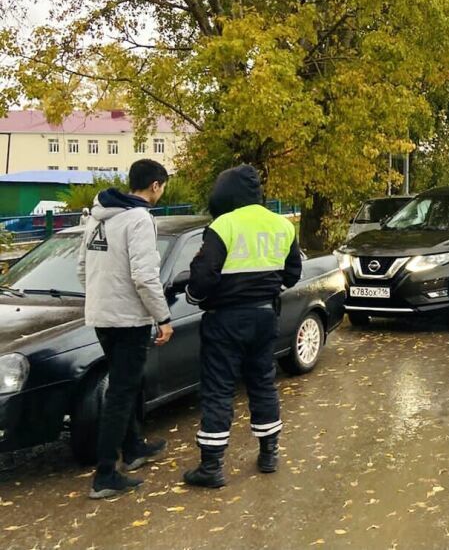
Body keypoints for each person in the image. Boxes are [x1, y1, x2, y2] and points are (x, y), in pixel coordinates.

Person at [182, 165, 302, 488]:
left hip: (225, 319)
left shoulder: (225, 224)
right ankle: (269, 454)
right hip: (265, 316)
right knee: (263, 382)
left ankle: (211, 466)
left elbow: (203, 275)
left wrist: (193, 295)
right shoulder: (282, 225)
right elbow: (292, 274)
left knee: (219, 388)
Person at [78, 159, 174, 499]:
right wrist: (162, 318)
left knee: (128, 383)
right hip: (129, 319)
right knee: (120, 392)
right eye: (163, 186)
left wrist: (100, 300)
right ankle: (105, 474)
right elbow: (145, 277)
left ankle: (134, 449)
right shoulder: (139, 219)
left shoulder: (97, 217)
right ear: (155, 186)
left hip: (101, 316)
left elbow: (81, 267)